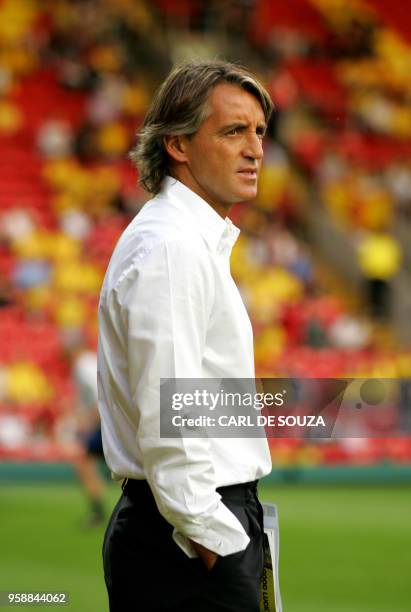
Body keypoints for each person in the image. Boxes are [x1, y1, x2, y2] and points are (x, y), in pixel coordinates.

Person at [98, 59, 273, 612]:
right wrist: (219, 547)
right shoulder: (172, 247)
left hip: (189, 530)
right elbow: (172, 415)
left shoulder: (184, 241)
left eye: (259, 131)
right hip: (187, 539)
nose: (255, 149)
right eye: (232, 131)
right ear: (178, 144)